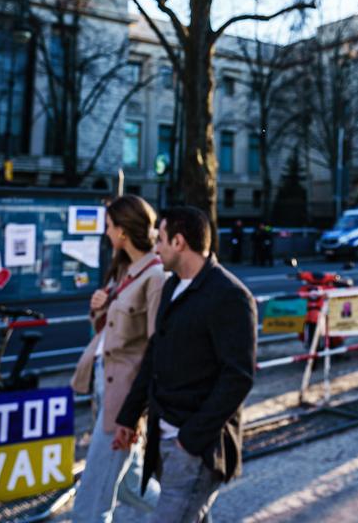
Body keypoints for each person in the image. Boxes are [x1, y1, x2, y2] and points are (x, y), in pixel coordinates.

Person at [114, 206, 258, 523]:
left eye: (161, 240)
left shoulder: (230, 295)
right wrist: (129, 415)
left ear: (179, 242)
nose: (156, 248)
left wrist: (190, 439)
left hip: (195, 448)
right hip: (164, 439)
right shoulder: (171, 286)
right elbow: (155, 356)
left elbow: (239, 377)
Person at [70, 196, 167, 523]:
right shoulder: (125, 271)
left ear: (123, 231)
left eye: (109, 226)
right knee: (129, 486)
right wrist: (99, 305)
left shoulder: (155, 277)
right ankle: (189, 514)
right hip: (104, 384)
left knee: (90, 504)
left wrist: (136, 412)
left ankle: (189, 513)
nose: (106, 232)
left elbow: (158, 348)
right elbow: (108, 330)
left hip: (123, 398)